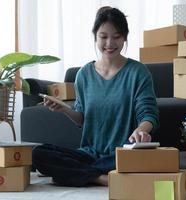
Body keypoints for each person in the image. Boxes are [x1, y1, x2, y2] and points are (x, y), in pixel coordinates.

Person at [32, 6, 159, 187]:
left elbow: (149, 114)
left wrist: (142, 130)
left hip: (122, 153)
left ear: (125, 37)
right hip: (89, 153)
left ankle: (74, 173)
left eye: (116, 37)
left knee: (144, 159)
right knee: (38, 153)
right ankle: (99, 177)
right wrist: (64, 109)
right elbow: (82, 118)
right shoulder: (84, 74)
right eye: (104, 37)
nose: (110, 43)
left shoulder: (138, 72)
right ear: (95, 36)